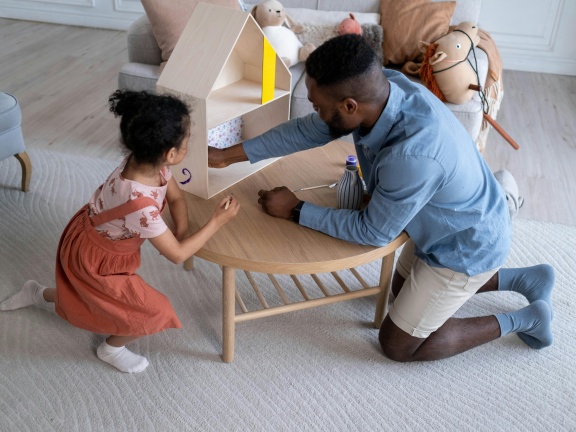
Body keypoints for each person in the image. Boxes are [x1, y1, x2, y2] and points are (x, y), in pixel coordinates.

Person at [207, 34, 554, 362]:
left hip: (466, 243)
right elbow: (308, 131)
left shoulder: (412, 157)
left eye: (317, 105)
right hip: (434, 219)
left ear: (349, 105)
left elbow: (373, 233)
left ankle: (527, 319)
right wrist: (225, 156)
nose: (314, 111)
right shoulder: (387, 87)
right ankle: (524, 279)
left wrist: (295, 209)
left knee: (398, 343)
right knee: (398, 296)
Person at [0, 90, 240, 373]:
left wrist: (183, 232)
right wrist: (217, 221)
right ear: (171, 153)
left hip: (93, 239)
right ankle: (111, 348)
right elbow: (176, 255)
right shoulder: (141, 205)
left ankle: (37, 293)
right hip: (96, 257)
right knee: (154, 311)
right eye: (187, 142)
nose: (189, 146)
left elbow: (175, 198)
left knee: (86, 292)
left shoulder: (146, 164)